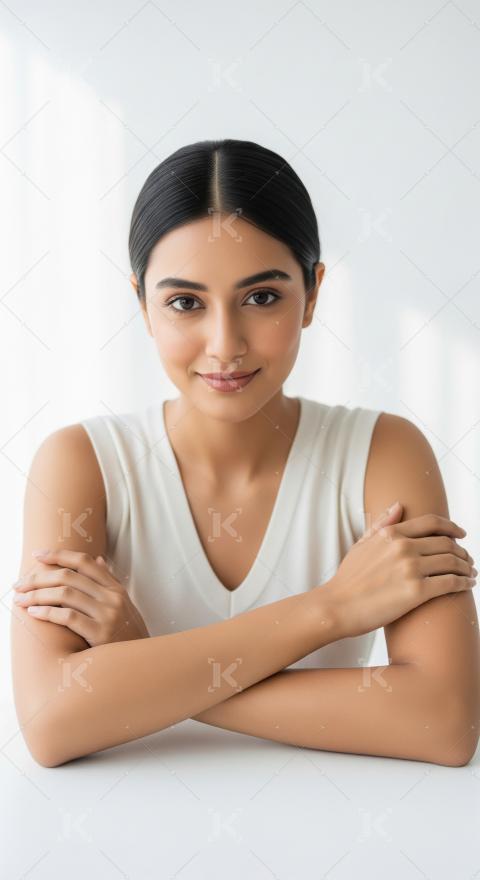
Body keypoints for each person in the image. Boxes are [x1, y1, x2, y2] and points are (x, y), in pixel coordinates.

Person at [11, 139, 479, 767]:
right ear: (142, 305)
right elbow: (49, 724)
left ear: (312, 294)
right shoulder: (81, 463)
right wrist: (330, 607)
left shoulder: (382, 453)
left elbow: (442, 724)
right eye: (185, 303)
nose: (225, 344)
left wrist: (143, 663)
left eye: (262, 297)